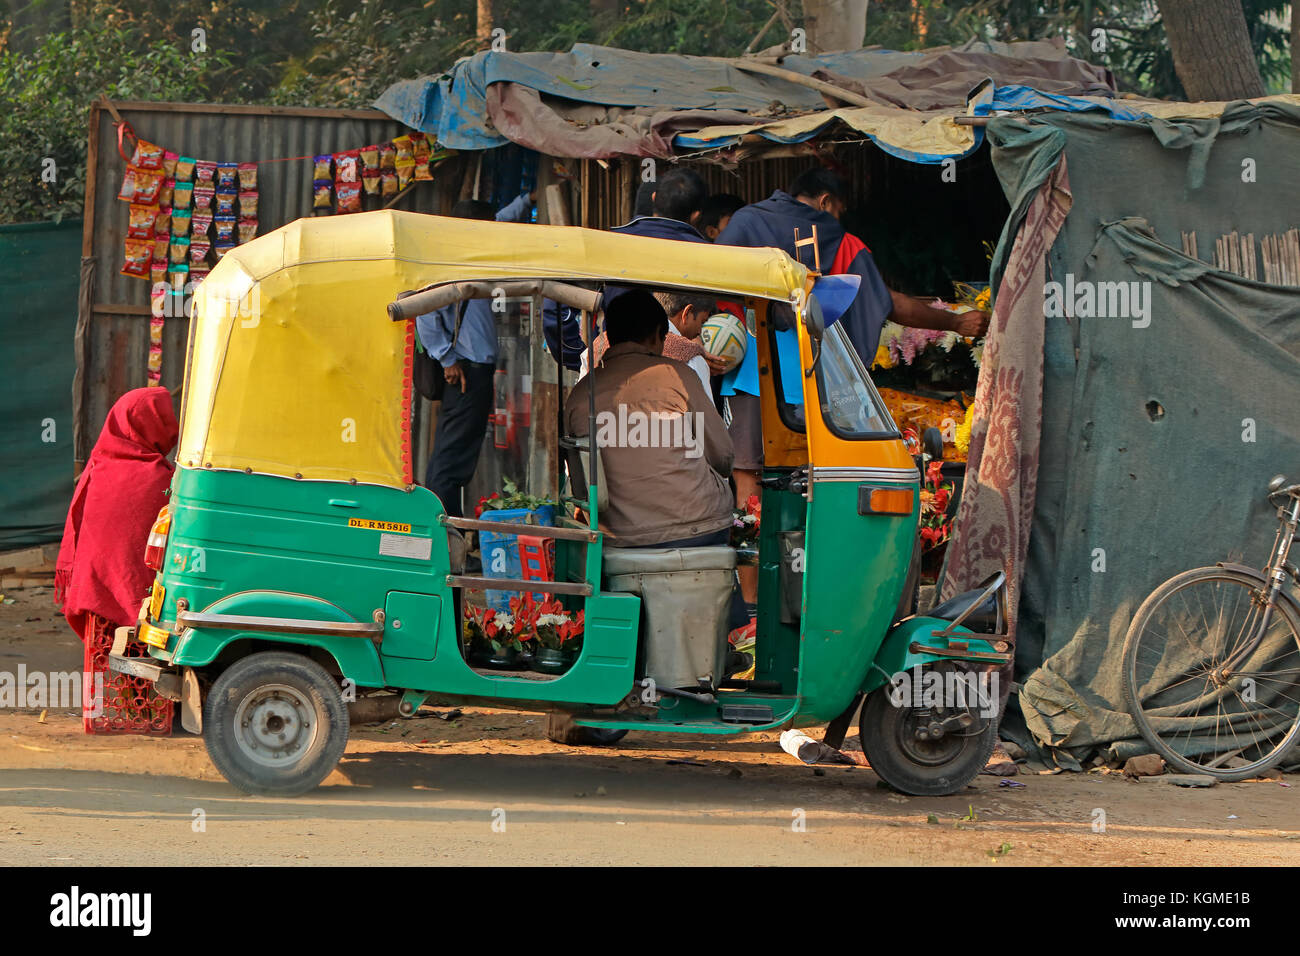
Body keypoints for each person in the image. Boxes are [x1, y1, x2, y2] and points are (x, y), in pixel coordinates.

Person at [717, 166, 990, 368]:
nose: (839, 219)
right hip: (808, 378)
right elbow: (890, 302)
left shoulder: (747, 222)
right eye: (839, 210)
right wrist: (955, 321)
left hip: (742, 370)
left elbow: (707, 279)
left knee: (745, 448)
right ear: (825, 202)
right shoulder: (844, 244)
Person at [564, 289, 734, 548]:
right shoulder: (681, 377)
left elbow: (579, 483)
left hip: (612, 537)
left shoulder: (580, 395)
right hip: (698, 530)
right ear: (658, 336)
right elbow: (723, 458)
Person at [418, 191, 535, 517]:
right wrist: (447, 359)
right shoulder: (447, 264)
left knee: (455, 452)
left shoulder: (468, 254)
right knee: (452, 456)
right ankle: (444, 529)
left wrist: (527, 199)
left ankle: (446, 524)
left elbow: (502, 221)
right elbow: (425, 314)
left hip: (475, 369)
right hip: (464, 370)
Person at [55, 387, 178, 642]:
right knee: (140, 673)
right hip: (146, 616)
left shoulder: (98, 467)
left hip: (94, 595)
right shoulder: (161, 478)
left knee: (102, 670)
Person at [585, 289, 716, 390]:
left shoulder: (592, 352)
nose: (699, 331)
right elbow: (704, 422)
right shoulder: (692, 361)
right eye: (702, 321)